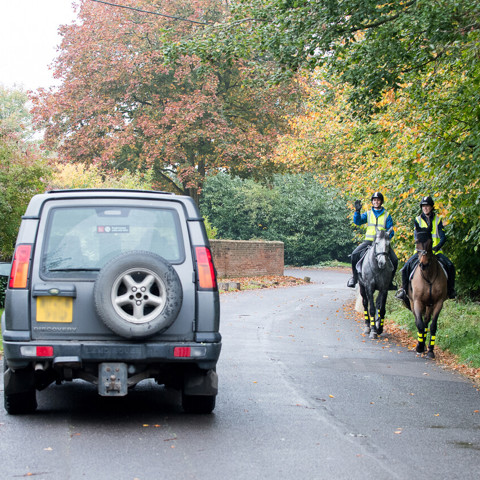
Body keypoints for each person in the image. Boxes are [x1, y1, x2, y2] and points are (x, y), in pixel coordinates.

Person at [396, 195, 456, 301]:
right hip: (420, 252)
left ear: (432, 207)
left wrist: (437, 247)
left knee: (451, 266)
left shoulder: (438, 220)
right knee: (405, 268)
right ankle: (404, 291)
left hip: (435, 252)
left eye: (427, 206)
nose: (425, 208)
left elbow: (443, 237)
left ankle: (451, 290)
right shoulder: (417, 220)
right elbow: (416, 236)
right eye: (423, 206)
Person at [347, 192, 398, 289]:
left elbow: (391, 231)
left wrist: (385, 238)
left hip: (381, 243)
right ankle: (354, 278)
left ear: (381, 202)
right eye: (374, 200)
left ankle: (390, 282)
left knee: (395, 259)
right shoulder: (368, 213)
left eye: (378, 200)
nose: (376, 202)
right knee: (354, 255)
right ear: (372, 202)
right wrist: (357, 212)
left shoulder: (387, 215)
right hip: (369, 241)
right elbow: (357, 222)